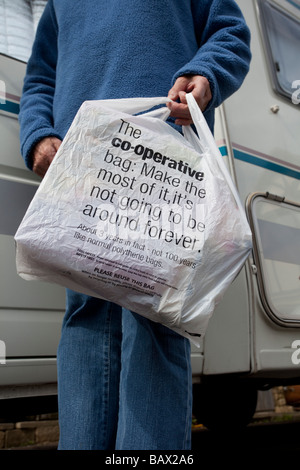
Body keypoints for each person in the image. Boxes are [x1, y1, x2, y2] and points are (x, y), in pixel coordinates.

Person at [19, 0, 251, 450]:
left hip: (161, 159)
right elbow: (40, 76)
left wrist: (207, 75)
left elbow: (230, 33)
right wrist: (38, 133)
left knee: (154, 321)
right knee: (86, 318)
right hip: (82, 162)